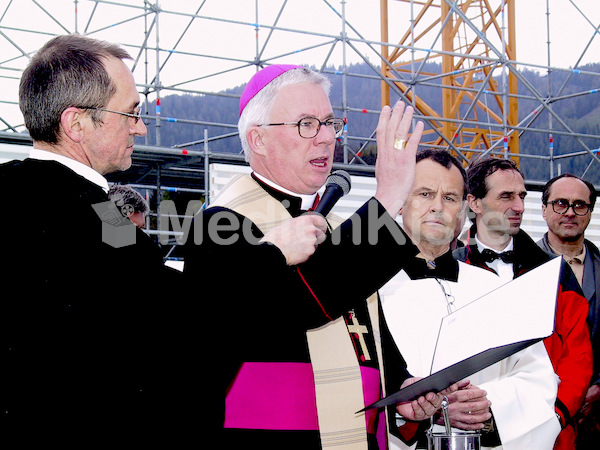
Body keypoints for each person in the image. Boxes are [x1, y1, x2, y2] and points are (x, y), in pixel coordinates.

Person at [182, 64, 449, 449]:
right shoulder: (219, 223)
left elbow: (364, 332)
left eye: (329, 123)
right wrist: (388, 198)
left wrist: (401, 388)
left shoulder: (340, 225)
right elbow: (306, 300)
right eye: (307, 124)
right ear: (258, 139)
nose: (326, 139)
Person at [0, 34, 185, 444]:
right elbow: (166, 299)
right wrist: (270, 255)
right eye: (130, 113)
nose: (140, 126)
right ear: (76, 123)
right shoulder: (97, 212)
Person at [379, 149, 560, 449]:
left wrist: (489, 410)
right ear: (400, 202)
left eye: (450, 198)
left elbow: (539, 376)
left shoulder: (495, 289)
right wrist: (419, 411)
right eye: (425, 193)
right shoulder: (372, 289)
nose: (437, 207)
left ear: (464, 210)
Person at [454, 158, 593, 449]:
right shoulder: (450, 269)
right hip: (468, 428)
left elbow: (578, 355)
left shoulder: (554, 271)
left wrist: (556, 416)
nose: (518, 206)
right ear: (474, 203)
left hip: (546, 430)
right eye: (506, 196)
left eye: (521, 196)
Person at [537, 173, 600, 449]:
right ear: (544, 209)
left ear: (590, 212)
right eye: (560, 203)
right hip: (542, 415)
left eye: (579, 205)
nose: (570, 213)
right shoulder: (520, 272)